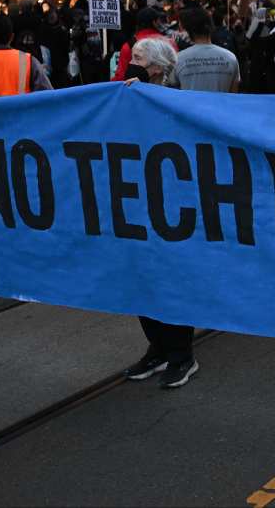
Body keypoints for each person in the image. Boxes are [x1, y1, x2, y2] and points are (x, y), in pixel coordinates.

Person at [117, 36, 200, 390]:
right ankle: (158, 349)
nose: (129, 62)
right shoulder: (123, 96)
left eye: (137, 58)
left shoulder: (177, 101)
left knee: (169, 278)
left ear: (156, 68)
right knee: (140, 277)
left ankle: (182, 355)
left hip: (170, 206)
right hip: (135, 200)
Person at [174, 7, 240, 92]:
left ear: (188, 30)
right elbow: (234, 94)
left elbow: (173, 93)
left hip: (189, 105)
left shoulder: (178, 59)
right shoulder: (231, 58)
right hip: (220, 105)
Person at [111, 7, 168, 82]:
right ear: (155, 22)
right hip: (165, 91)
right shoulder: (169, 43)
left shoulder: (128, 46)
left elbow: (120, 77)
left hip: (136, 91)